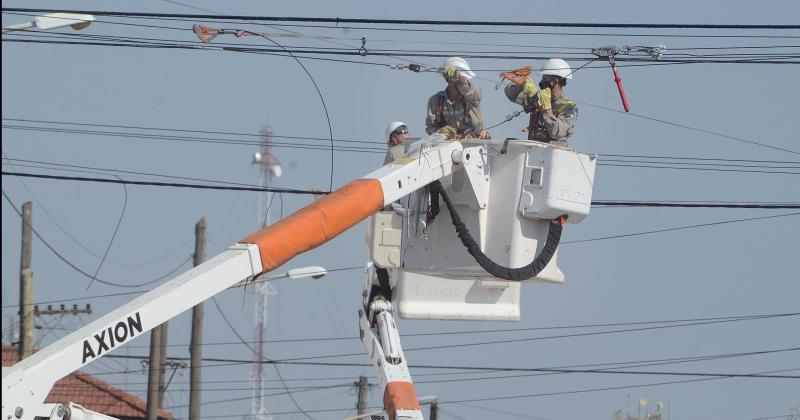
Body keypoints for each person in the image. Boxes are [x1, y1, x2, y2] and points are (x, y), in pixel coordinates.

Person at [504, 58, 578, 146]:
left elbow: (557, 132)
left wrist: (547, 109)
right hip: (534, 151)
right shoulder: (539, 98)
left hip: (552, 154)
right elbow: (510, 93)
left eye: (545, 78)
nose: (541, 82)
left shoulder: (568, 107)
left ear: (555, 81)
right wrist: (522, 81)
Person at [425, 57, 489, 140]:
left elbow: (475, 93)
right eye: (454, 79)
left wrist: (459, 79)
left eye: (462, 80)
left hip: (473, 146)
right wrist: (440, 131)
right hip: (446, 148)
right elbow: (430, 128)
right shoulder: (435, 101)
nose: (460, 83)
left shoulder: (472, 97)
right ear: (448, 80)